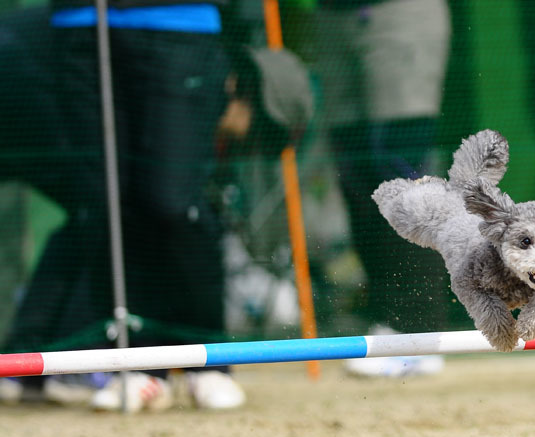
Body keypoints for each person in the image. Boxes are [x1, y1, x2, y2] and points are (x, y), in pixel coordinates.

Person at [0, 3, 314, 411]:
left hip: (157, 21)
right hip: (79, 29)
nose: (239, 152)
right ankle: (127, 363)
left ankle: (155, 363)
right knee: (110, 212)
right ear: (244, 94)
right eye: (252, 140)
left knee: (131, 210)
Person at [301, 0, 452, 376]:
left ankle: (417, 331)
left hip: (399, 14)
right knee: (356, 177)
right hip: (331, 16)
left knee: (403, 177)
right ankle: (386, 320)